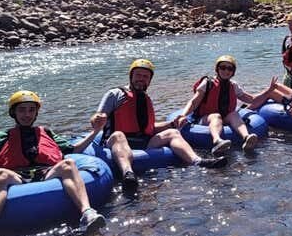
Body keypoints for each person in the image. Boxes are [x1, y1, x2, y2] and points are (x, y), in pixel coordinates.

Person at [0, 90, 107, 236]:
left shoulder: (46, 132)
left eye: (31, 110)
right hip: (17, 177)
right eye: (22, 110)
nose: (27, 114)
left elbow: (75, 150)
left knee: (69, 164)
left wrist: (95, 132)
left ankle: (87, 214)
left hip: (45, 174)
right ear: (14, 113)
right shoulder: (2, 137)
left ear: (36, 113)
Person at [93, 59, 227, 194]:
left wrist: (172, 123)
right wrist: (98, 118)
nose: (141, 79)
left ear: (149, 81)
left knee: (173, 132)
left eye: (145, 77)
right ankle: (128, 174)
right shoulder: (115, 94)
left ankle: (198, 161)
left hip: (143, 143)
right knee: (118, 135)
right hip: (115, 144)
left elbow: (150, 128)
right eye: (138, 75)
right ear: (131, 76)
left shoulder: (145, 98)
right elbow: (97, 117)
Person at [173, 55, 276, 154]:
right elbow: (194, 102)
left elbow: (251, 99)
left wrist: (269, 90)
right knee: (216, 116)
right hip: (204, 119)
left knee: (234, 114)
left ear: (233, 72)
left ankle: (246, 137)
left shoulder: (233, 85)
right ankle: (217, 141)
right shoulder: (207, 83)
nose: (226, 71)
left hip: (224, 118)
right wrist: (183, 115)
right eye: (223, 67)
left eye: (229, 69)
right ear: (217, 69)